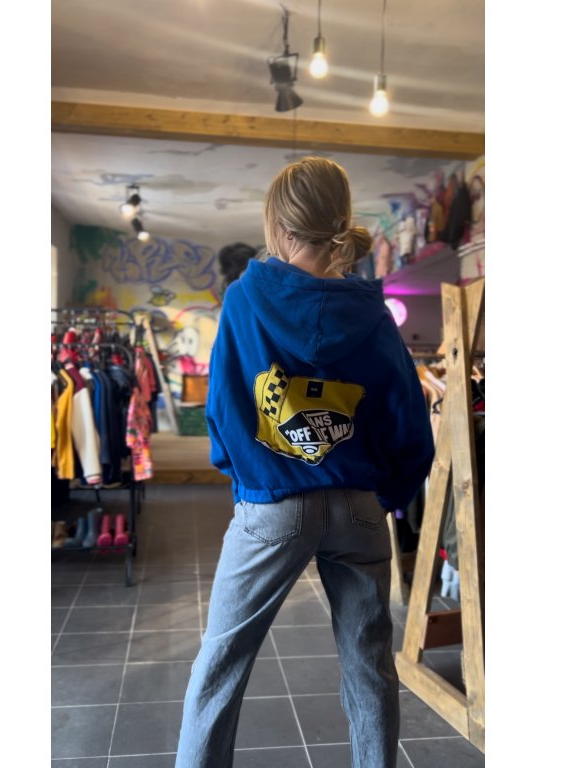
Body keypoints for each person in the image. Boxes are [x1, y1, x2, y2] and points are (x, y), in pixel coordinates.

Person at [174, 157, 435, 768]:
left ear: (279, 226)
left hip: (274, 501)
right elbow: (408, 418)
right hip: (359, 505)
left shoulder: (245, 299)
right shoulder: (373, 313)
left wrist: (251, 481)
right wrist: (385, 495)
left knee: (220, 664)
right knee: (369, 666)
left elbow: (224, 408)